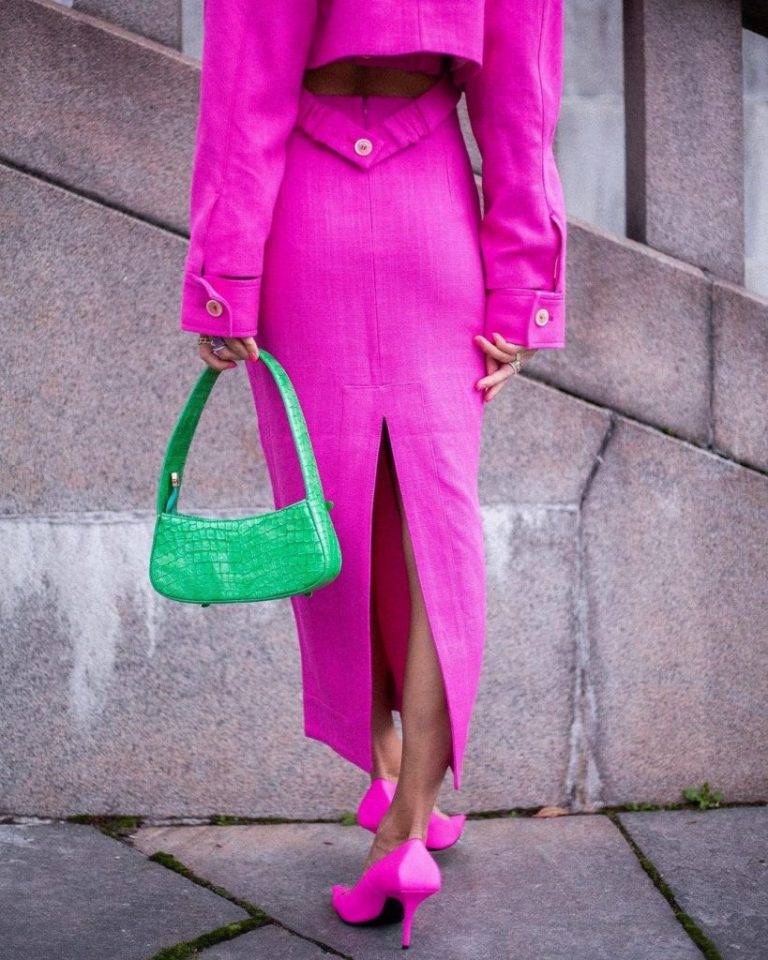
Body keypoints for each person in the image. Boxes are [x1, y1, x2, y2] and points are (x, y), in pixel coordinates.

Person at [180, 0, 566, 947]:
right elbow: (521, 94)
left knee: (331, 502)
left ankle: (394, 795)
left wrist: (224, 277)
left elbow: (246, 85)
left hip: (302, 210)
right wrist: (525, 286)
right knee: (435, 516)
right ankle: (408, 811)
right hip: (430, 202)